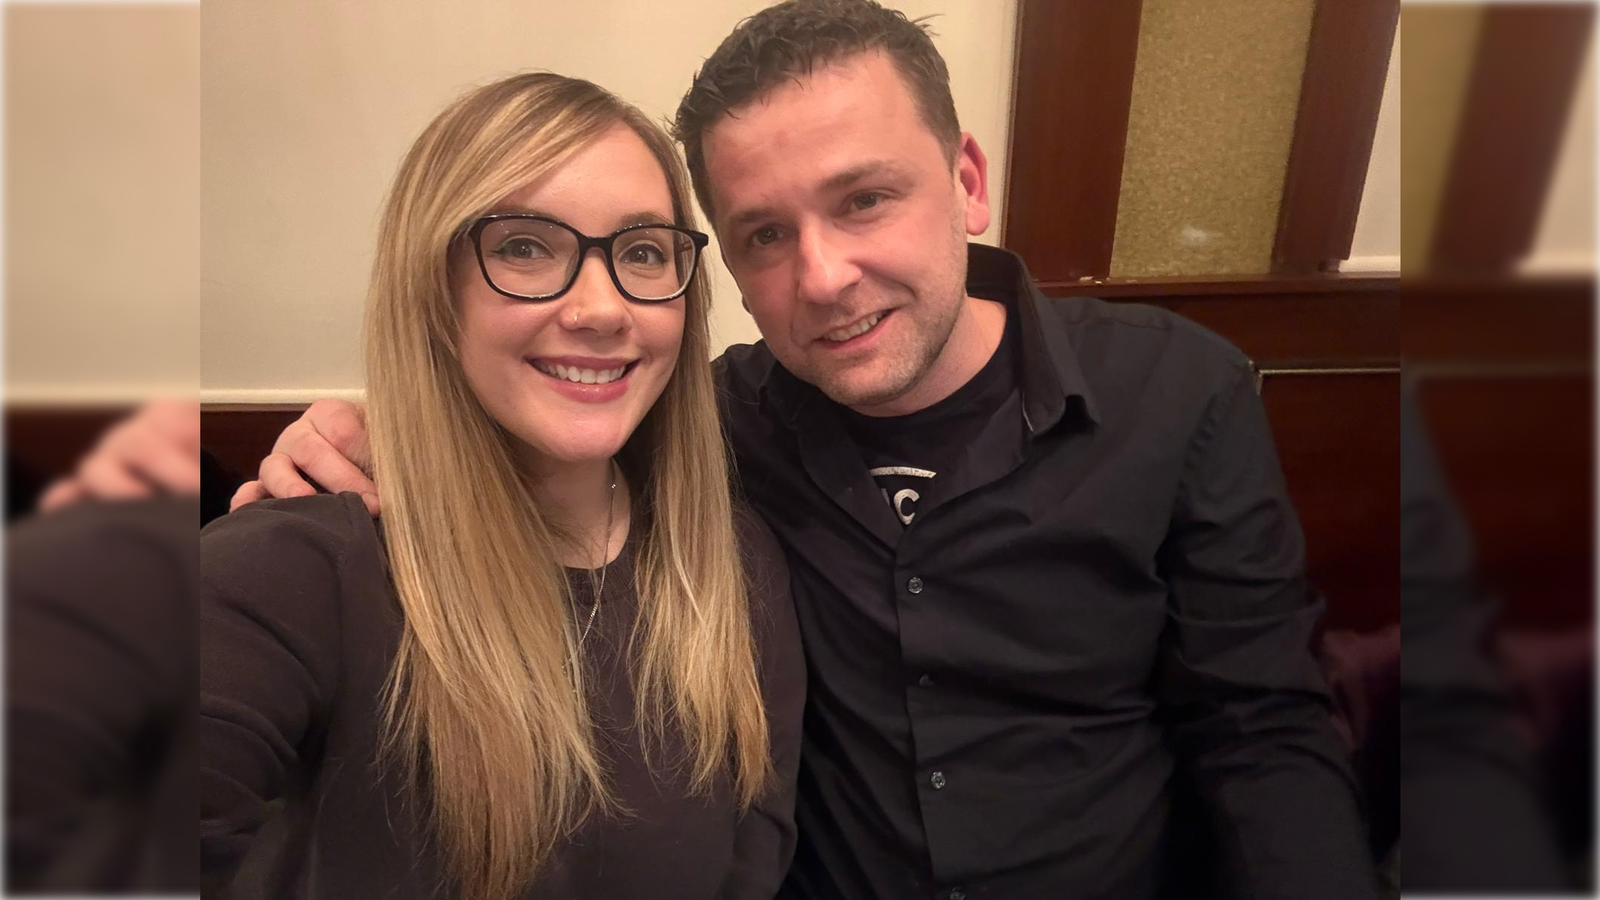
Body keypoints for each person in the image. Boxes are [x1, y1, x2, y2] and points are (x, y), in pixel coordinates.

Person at [236, 1, 1378, 897]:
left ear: (966, 183)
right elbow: (532, 404)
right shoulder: (700, 435)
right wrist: (375, 432)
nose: (822, 276)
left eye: (865, 200)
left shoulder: (1176, 390)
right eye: (765, 235)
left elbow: (1261, 730)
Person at [200, 73, 804, 900]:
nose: (600, 307)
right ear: (434, 291)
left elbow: (753, 859)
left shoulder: (729, 563)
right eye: (524, 246)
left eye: (642, 251)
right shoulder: (300, 567)